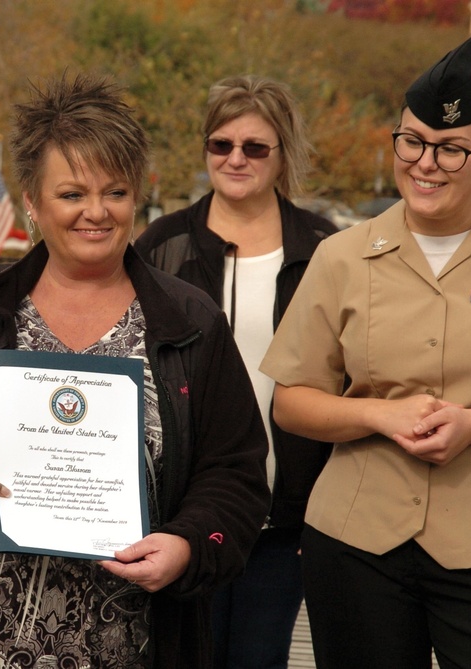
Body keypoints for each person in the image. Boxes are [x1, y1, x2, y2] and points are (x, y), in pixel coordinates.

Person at [0, 73, 270, 669]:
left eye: (115, 192)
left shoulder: (189, 321)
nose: (96, 212)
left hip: (135, 646)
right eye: (71, 195)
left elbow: (235, 472)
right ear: (32, 203)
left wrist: (188, 545)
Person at [262, 34, 471, 669]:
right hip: (356, 542)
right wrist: (377, 415)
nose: (426, 164)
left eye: (451, 149)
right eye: (412, 142)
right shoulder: (341, 256)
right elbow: (292, 403)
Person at [134, 74, 337, 669]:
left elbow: (355, 381)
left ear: (283, 155)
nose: (235, 158)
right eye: (220, 145)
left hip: (286, 514)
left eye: (255, 147)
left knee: (257, 656)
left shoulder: (327, 251)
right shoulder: (162, 246)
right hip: (179, 510)